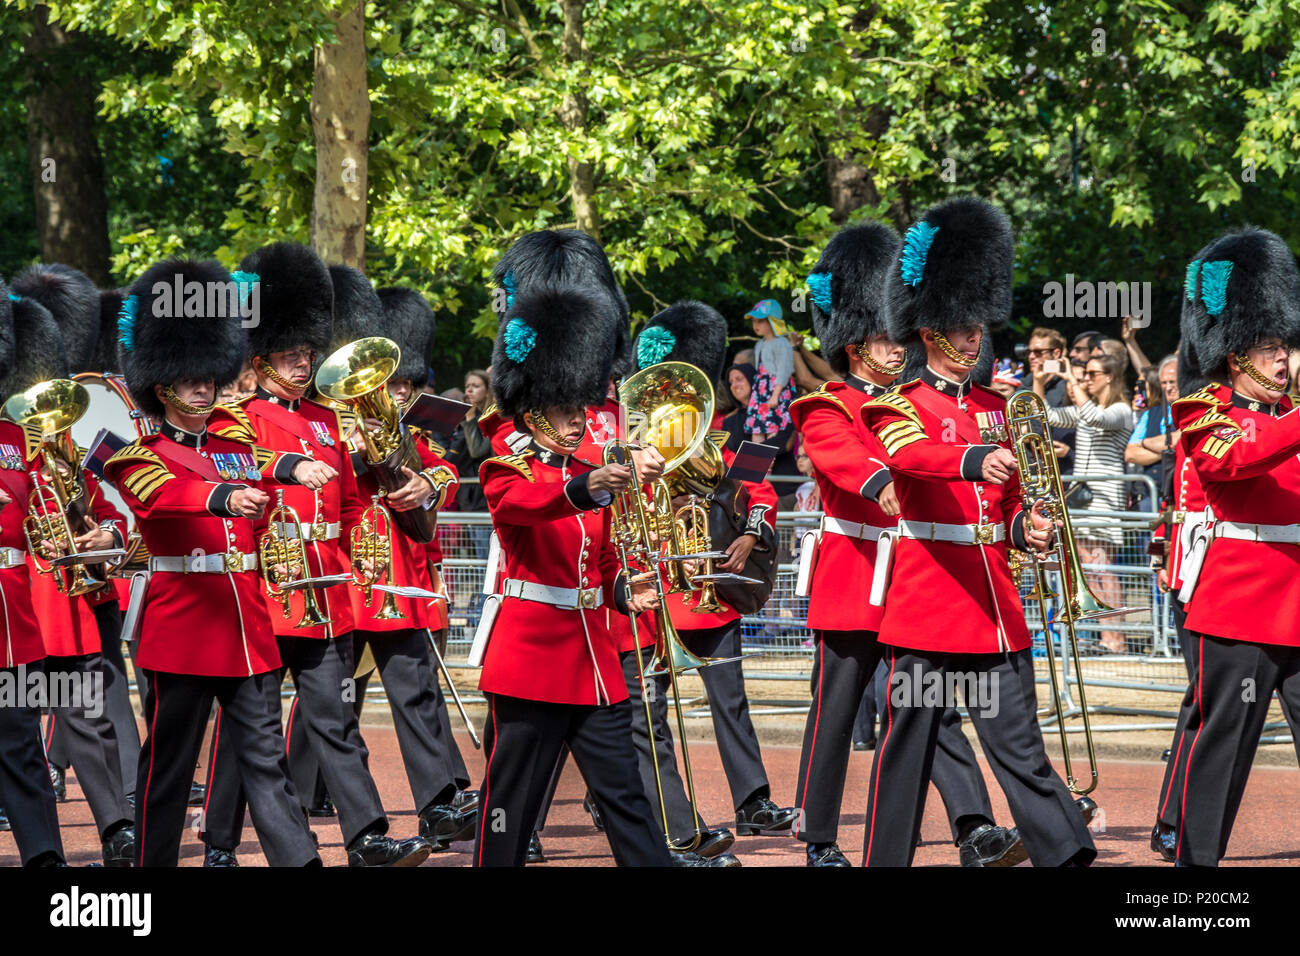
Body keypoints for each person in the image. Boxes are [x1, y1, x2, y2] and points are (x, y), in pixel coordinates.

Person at [860, 197, 1097, 867]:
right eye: (962, 328)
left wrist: (1028, 529)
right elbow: (909, 458)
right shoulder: (896, 406)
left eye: (978, 327)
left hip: (993, 601)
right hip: (929, 601)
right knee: (907, 748)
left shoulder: (1001, 406)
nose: (975, 339)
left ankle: (1066, 854)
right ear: (930, 330)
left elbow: (1012, 500)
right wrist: (970, 460)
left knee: (1019, 745)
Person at [792, 221, 1024, 868]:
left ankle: (974, 826)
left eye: (900, 337)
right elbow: (841, 458)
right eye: (884, 338)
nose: (898, 348)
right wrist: (880, 483)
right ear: (854, 344)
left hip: (918, 576)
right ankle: (819, 838)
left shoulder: (915, 401)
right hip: (856, 573)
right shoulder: (829, 403)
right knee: (836, 711)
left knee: (929, 707)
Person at [198, 243, 431, 868]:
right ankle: (219, 839)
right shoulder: (234, 417)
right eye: (289, 355)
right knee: (252, 727)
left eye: (307, 352)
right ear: (260, 360)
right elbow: (236, 464)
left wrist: (367, 554)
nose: (303, 364)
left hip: (326, 587)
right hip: (268, 587)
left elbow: (350, 504)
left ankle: (366, 837)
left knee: (335, 717)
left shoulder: (329, 419)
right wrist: (288, 465)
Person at [105, 257, 321, 867]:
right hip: (184, 628)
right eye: (190, 380)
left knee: (267, 761)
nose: (204, 389)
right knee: (169, 765)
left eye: (209, 378)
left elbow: (263, 467)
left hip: (246, 627)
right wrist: (222, 497)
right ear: (162, 387)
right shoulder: (137, 456)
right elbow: (163, 498)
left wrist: (295, 468)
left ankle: (300, 862)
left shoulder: (234, 445)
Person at [473, 243, 670, 867]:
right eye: (564, 411)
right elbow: (526, 506)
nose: (578, 420)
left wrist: (624, 590)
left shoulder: (585, 467)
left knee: (625, 796)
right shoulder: (508, 468)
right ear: (533, 413)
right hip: (530, 656)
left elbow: (601, 560)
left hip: (592, 656)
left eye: (579, 408)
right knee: (510, 803)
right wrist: (587, 485)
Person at [1166, 226, 1300, 867]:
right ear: (1237, 352)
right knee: (1224, 743)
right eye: (1270, 348)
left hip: (1297, 602)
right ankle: (1196, 869)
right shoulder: (1203, 410)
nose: (1283, 359)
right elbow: (1233, 461)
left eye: (1285, 346)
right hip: (1240, 603)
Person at [0, 284, 66, 867]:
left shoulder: (16, 438)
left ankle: (45, 856)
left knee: (21, 740)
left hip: (13, 619)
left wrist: (91, 533)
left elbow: (50, 512)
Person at [1040, 352, 1133, 653]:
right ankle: (1103, 636)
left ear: (1110, 377)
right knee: (1089, 570)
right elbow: (1047, 416)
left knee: (1103, 567)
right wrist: (1039, 382)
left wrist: (1070, 378)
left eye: (1093, 374)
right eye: (1086, 374)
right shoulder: (1086, 408)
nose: (1087, 379)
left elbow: (1095, 418)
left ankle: (1116, 639)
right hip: (1083, 499)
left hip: (1105, 499)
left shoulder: (1121, 410)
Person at [744, 299, 796, 443]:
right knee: (757, 426)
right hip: (761, 390)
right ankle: (756, 456)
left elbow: (784, 370)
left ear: (773, 321)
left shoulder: (782, 343)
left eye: (760, 321)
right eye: (754, 321)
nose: (755, 325)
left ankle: (772, 454)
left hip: (776, 389)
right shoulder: (759, 344)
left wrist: (775, 394)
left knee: (773, 425)